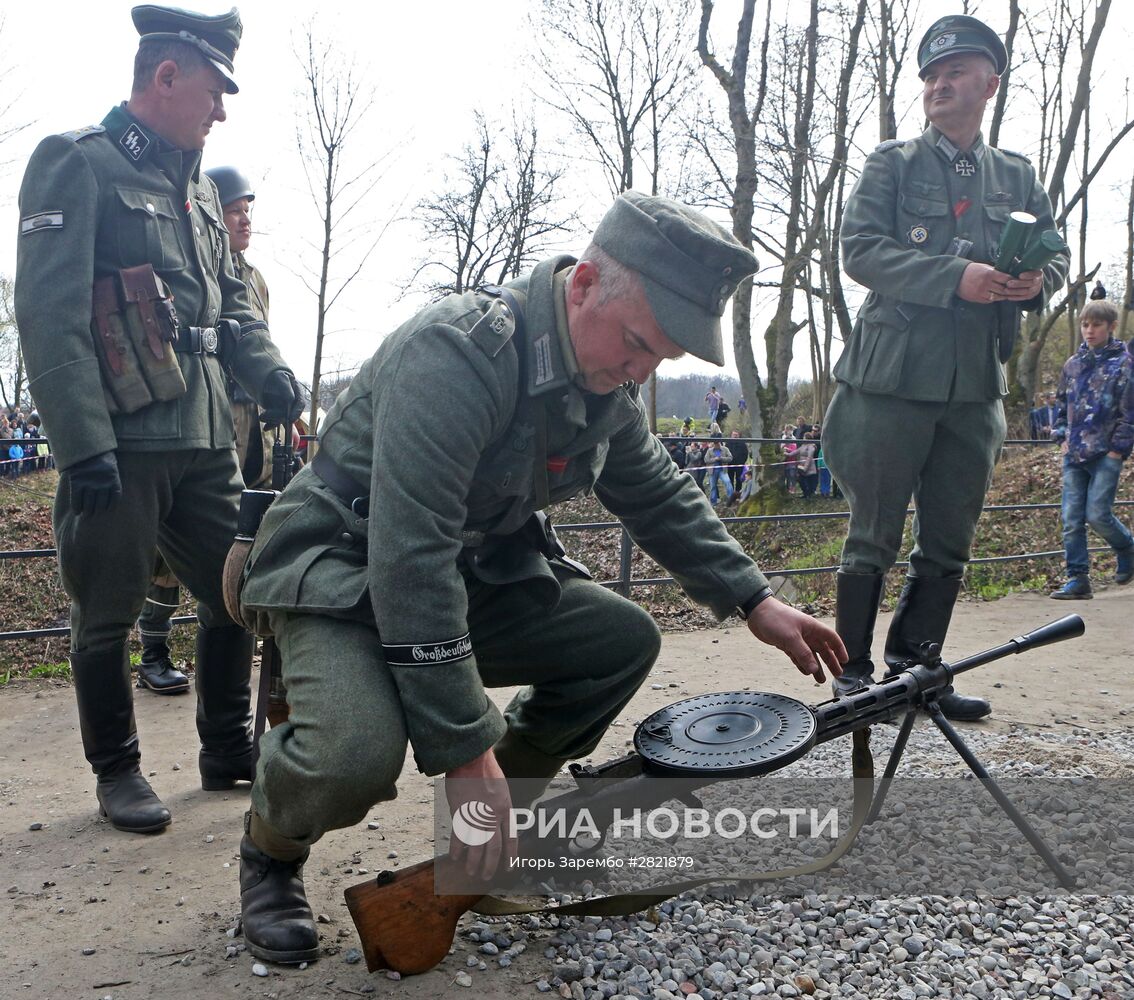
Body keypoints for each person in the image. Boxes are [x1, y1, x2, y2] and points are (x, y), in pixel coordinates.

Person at [232, 190, 846, 964]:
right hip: (341, 573)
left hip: (456, 579)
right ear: (583, 284)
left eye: (658, 358)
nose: (640, 370)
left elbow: (655, 491)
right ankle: (270, 853)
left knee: (618, 641)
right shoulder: (459, 354)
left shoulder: (599, 380)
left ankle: (482, 841)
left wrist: (754, 599)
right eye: (635, 344)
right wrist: (464, 748)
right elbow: (410, 556)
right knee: (353, 756)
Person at [14, 5, 303, 834]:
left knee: (233, 595)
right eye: (214, 89)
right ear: (167, 75)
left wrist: (271, 371)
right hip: (121, 440)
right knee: (105, 609)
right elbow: (49, 312)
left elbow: (229, 308)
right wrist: (82, 445)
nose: (222, 110)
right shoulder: (79, 164)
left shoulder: (202, 190)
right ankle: (117, 771)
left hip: (209, 438)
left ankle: (224, 750)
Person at [822, 14, 1069, 719]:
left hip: (974, 386)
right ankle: (853, 677)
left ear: (988, 84)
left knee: (950, 533)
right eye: (930, 75)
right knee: (872, 528)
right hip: (890, 380)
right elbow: (860, 251)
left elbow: (1054, 249)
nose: (938, 84)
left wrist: (1037, 281)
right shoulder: (892, 165)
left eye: (954, 72)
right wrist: (951, 276)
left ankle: (917, 670)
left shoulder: (1017, 176)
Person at [133, 164, 279, 695]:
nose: (244, 221)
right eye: (235, 211)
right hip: (198, 411)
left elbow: (257, 339)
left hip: (245, 422)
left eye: (248, 212)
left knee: (234, 547)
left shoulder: (254, 278)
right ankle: (153, 648)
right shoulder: (196, 266)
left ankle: (226, 729)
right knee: (165, 553)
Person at [1049, 299, 1134, 598]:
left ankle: (1127, 547)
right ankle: (1078, 579)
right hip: (1073, 453)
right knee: (1071, 519)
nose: (1089, 330)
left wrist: (1117, 449)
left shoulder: (1124, 364)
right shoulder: (1073, 364)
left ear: (1111, 327)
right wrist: (1060, 437)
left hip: (1105, 454)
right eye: (1085, 324)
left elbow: (1130, 411)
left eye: (1096, 324)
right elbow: (1060, 404)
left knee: (1097, 514)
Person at [706, 437, 734, 505]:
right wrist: (714, 459)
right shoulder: (710, 450)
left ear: (720, 443)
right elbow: (706, 460)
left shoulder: (725, 449)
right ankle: (713, 502)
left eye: (718, 443)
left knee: (727, 482)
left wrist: (722, 458)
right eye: (715, 443)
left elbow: (730, 458)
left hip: (722, 470)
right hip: (712, 471)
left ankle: (731, 499)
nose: (716, 445)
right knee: (713, 486)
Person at [727, 429, 749, 497]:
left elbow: (745, 454)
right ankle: (731, 494)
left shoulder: (742, 444)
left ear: (739, 435)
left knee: (739, 480)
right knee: (730, 480)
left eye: (736, 435)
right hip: (730, 464)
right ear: (731, 435)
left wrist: (742, 462)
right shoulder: (728, 443)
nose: (735, 436)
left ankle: (738, 493)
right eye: (733, 435)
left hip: (739, 465)